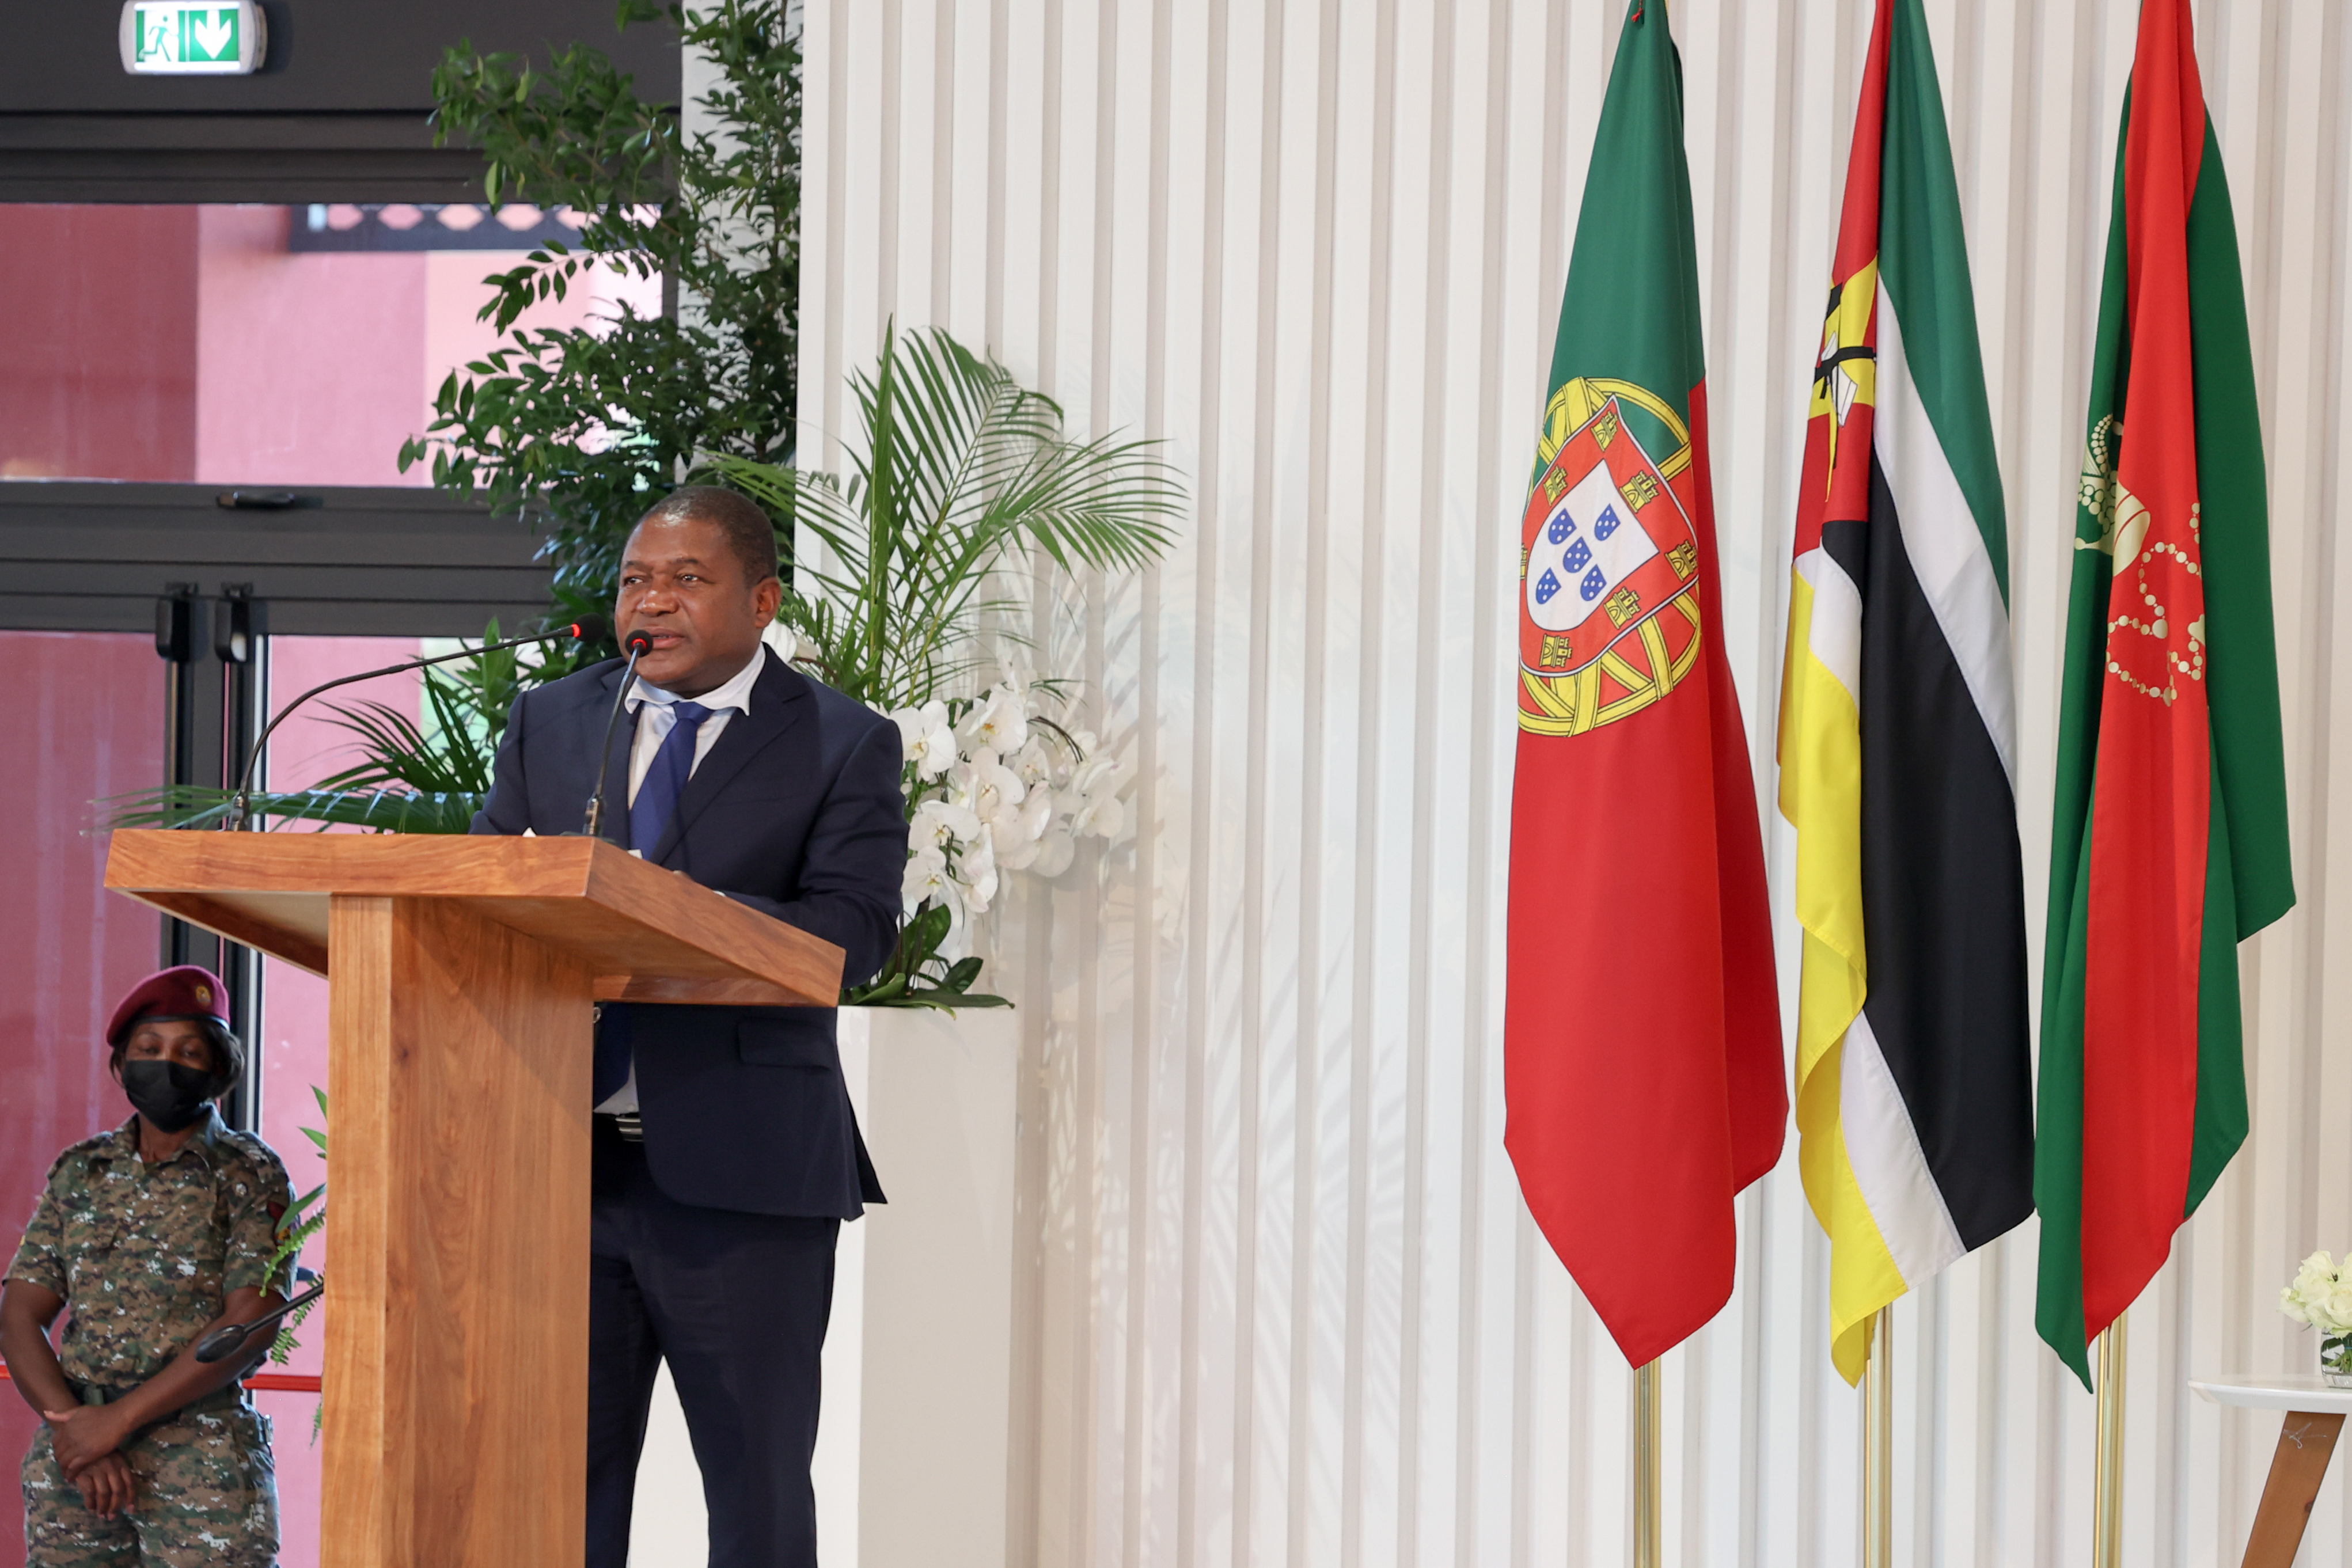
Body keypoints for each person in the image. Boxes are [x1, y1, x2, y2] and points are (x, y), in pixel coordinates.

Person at [471, 485, 908, 1568]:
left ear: (760, 601)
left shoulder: (843, 742)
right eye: (633, 580)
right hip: (560, 1168)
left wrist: (679, 919)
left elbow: (853, 936)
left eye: (683, 580)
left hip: (744, 1175)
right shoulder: (555, 718)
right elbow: (481, 891)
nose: (649, 602)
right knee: (558, 1490)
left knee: (755, 1488)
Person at [0, 965, 295, 1568]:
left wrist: (118, 1421)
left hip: (201, 1463)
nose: (167, 1062)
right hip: (76, 1467)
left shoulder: (248, 1171)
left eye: (190, 1051)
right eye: (149, 1048)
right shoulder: (81, 1170)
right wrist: (77, 1425)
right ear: (120, 1066)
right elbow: (19, 1314)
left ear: (218, 1071)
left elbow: (251, 1321)